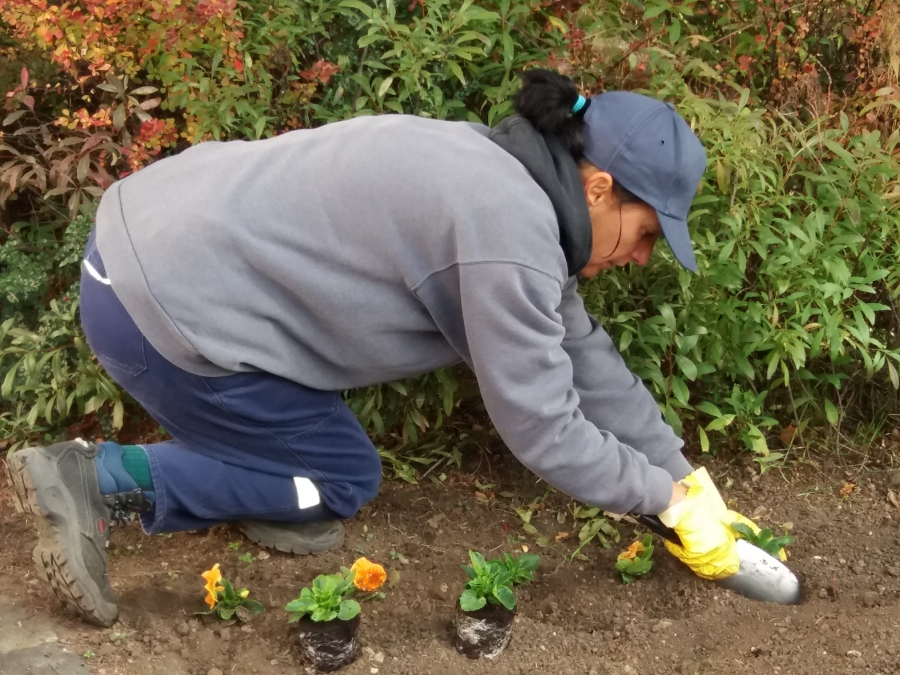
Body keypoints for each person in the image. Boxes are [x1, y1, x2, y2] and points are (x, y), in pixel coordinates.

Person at [7, 69, 763, 627]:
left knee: (305, 486)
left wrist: (686, 476)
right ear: (600, 187)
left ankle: (259, 479)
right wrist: (662, 500)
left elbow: (586, 359)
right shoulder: (509, 237)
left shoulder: (509, 187)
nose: (639, 258)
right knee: (339, 478)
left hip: (145, 245)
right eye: (645, 236)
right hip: (156, 312)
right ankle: (97, 477)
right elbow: (547, 428)